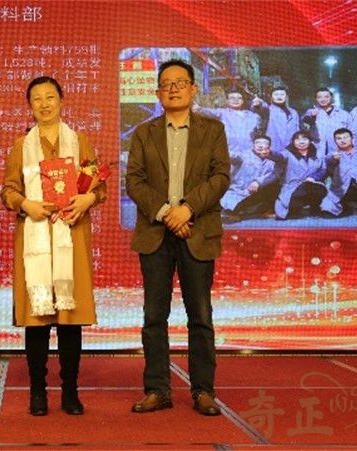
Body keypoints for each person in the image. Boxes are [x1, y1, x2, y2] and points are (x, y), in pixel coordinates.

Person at [125, 60, 230, 416]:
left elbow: (220, 177)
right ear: (157, 92)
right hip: (155, 234)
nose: (173, 89)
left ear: (193, 89)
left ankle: (203, 390)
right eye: (166, 84)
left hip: (197, 231)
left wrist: (188, 209)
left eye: (180, 82)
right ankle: (157, 389)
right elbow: (134, 180)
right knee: (154, 316)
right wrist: (166, 213)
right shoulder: (144, 133)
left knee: (200, 315)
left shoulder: (212, 129)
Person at [0, 76, 106, 416]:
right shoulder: (21, 146)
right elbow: (8, 190)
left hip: (71, 237)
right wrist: (24, 204)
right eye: (37, 99)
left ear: (62, 100)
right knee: (38, 319)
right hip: (34, 237)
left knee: (70, 319)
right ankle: (38, 391)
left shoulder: (81, 142)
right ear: (29, 106)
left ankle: (70, 391)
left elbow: (98, 186)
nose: (44, 104)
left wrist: (87, 198)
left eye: (50, 97)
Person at [266, 130, 328, 220]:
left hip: (312, 185)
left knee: (317, 189)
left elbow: (323, 170)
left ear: (310, 141)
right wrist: (270, 153)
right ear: (293, 142)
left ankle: (315, 207)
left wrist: (314, 177)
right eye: (297, 139)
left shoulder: (318, 153)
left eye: (305, 139)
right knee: (288, 211)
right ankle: (295, 208)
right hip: (292, 188)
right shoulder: (287, 153)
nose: (301, 142)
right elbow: (279, 156)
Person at [220, 135, 281, 223]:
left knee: (274, 185)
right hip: (238, 191)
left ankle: (263, 210)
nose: (261, 146)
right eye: (258, 144)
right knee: (229, 205)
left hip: (256, 192)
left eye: (265, 144)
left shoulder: (272, 161)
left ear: (269, 148)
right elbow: (231, 156)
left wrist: (258, 182)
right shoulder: (243, 155)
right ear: (253, 145)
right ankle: (233, 213)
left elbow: (273, 176)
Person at [194, 89, 261, 154]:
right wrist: (199, 109)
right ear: (227, 101)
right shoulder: (223, 113)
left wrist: (259, 104)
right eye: (232, 98)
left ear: (243, 101)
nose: (236, 100)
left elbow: (263, 114)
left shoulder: (251, 115)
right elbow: (209, 112)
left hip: (248, 151)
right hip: (230, 150)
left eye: (239, 98)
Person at [301, 87, 352, 156]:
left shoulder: (344, 114)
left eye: (326, 97)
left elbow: (352, 133)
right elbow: (304, 128)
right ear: (315, 99)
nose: (323, 99)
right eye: (319, 97)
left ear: (331, 98)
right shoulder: (310, 113)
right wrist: (310, 117)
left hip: (339, 151)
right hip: (317, 151)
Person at [252, 86, 299, 154]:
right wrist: (259, 103)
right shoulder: (268, 110)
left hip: (291, 149)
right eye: (276, 94)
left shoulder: (293, 112)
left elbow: (297, 130)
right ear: (271, 97)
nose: (279, 97)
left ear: (286, 97)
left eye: (282, 94)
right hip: (273, 149)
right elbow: (262, 107)